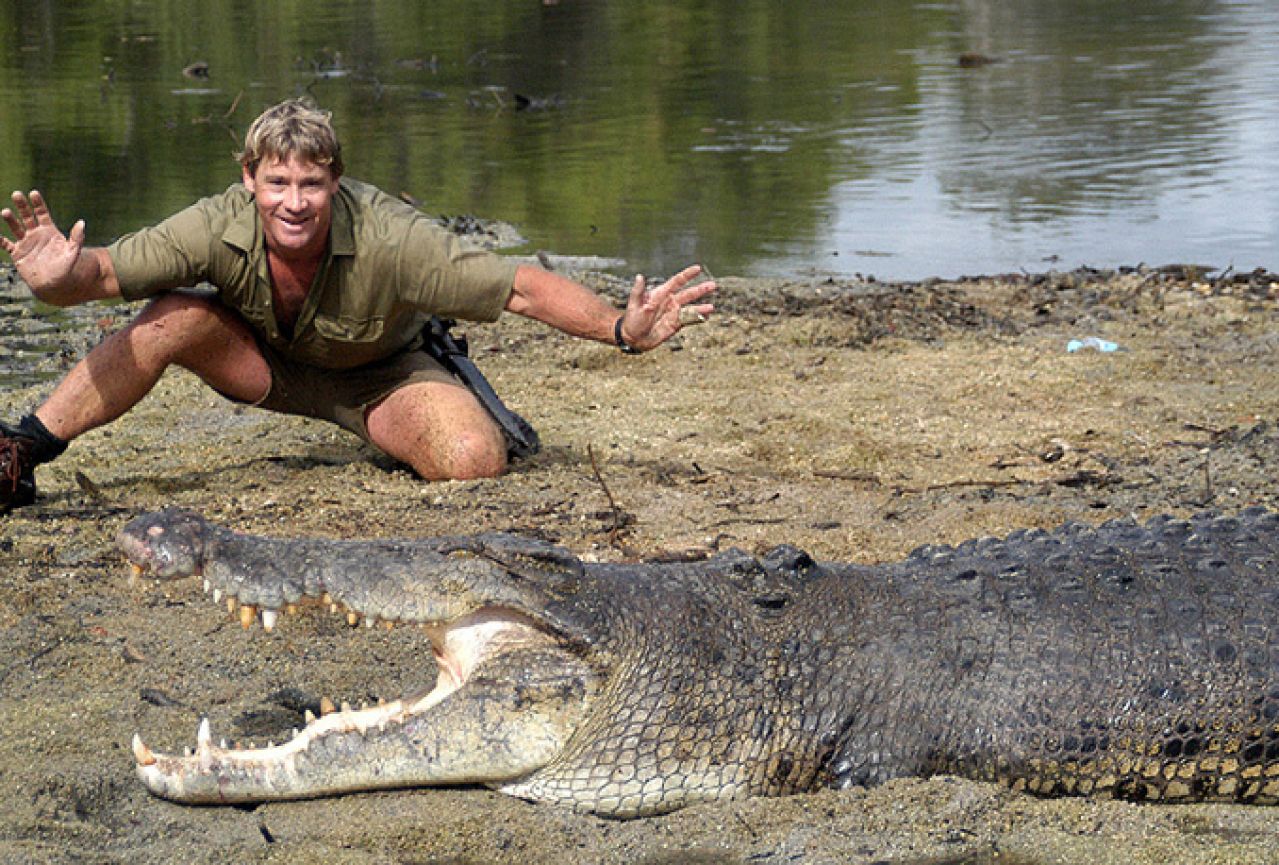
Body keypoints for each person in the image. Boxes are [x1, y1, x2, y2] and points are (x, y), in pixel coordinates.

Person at [0, 98, 714, 513]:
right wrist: (54, 278)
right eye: (276, 181)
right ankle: (22, 449)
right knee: (173, 315)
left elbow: (520, 286)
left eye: (310, 182)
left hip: (382, 380)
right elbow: (98, 276)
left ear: (335, 179)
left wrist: (620, 328)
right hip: (266, 366)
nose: (294, 201)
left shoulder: (395, 238)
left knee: (474, 460)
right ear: (248, 178)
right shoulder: (213, 222)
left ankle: (401, 431)